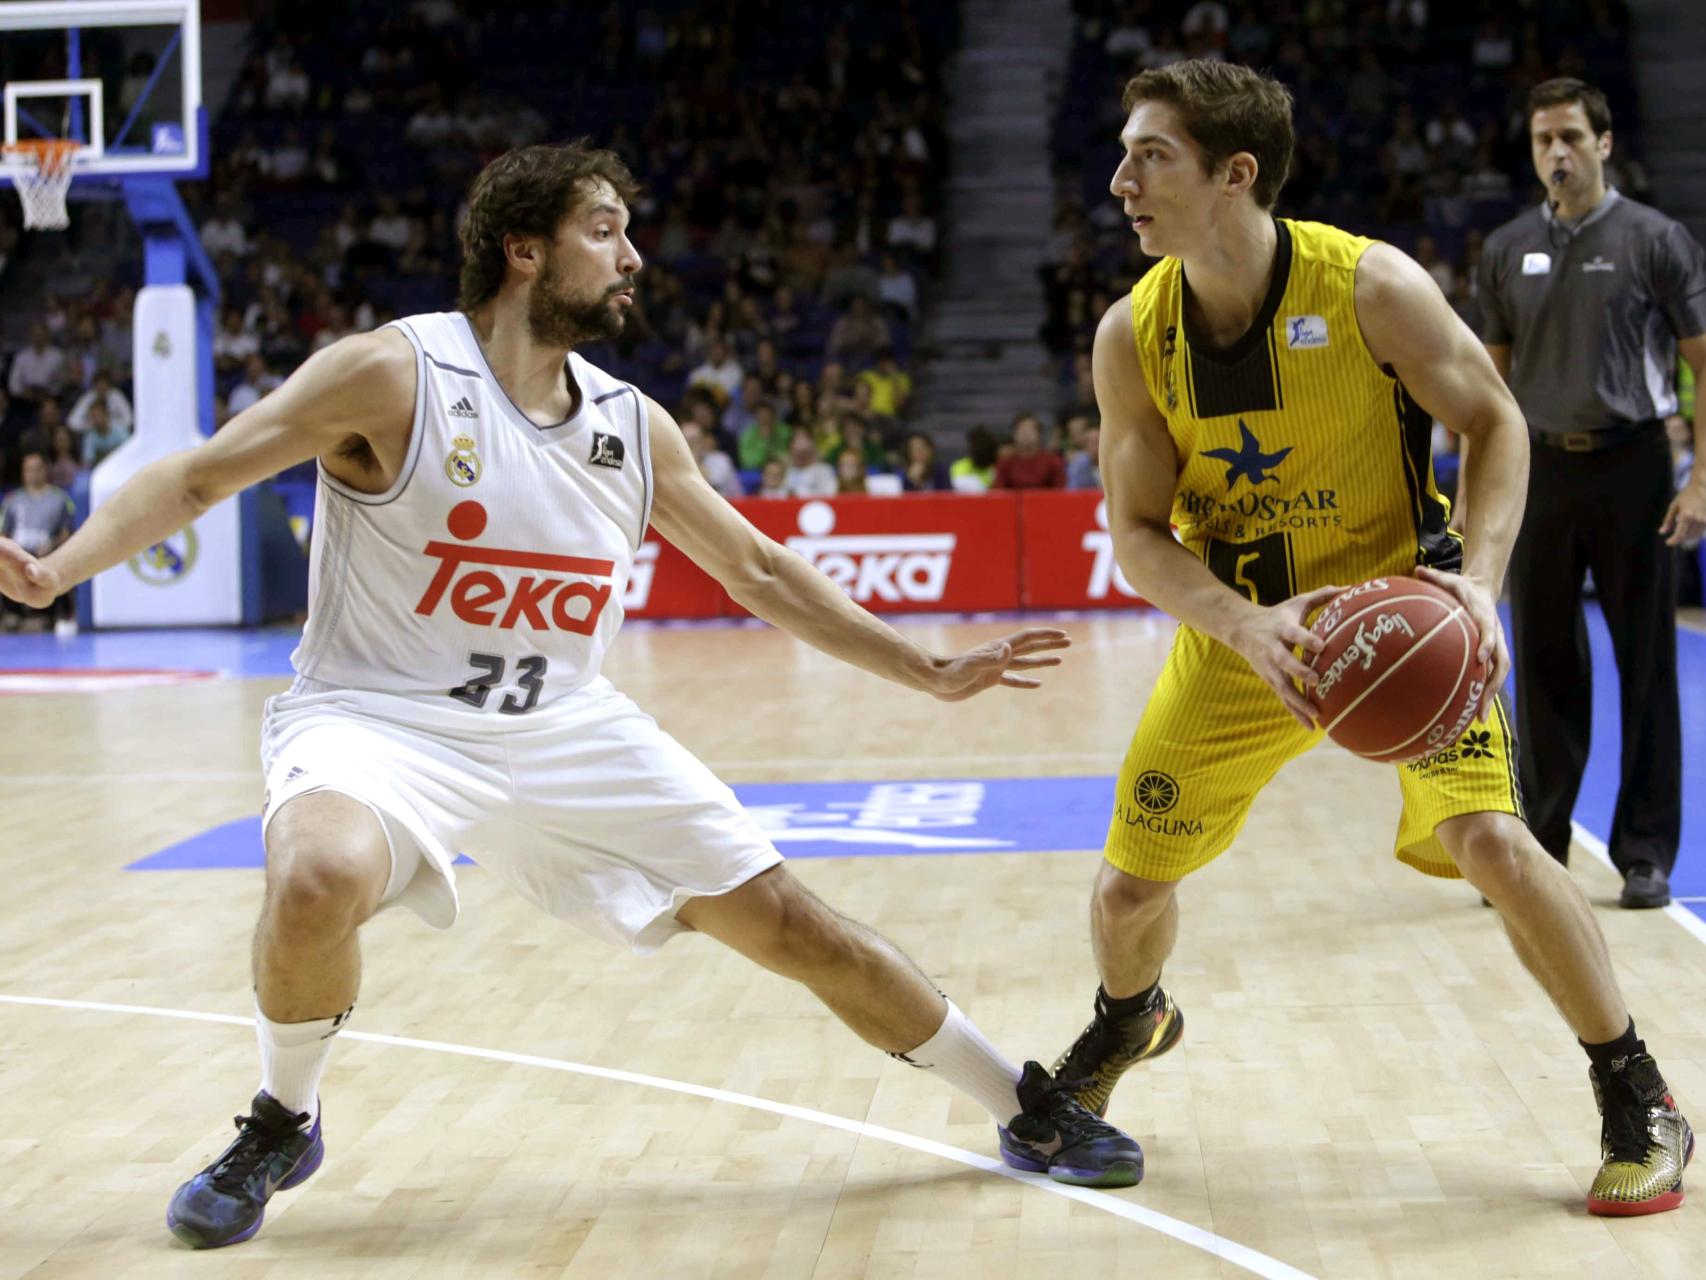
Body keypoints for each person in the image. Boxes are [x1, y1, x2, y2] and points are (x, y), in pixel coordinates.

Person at [0, 141, 1141, 1250]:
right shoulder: (392, 373)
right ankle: (280, 1119)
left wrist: (924, 668)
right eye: (606, 230)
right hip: (377, 717)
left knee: (791, 923)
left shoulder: (629, 424)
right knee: (315, 874)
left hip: (564, 725)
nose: (633, 255)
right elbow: (200, 471)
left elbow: (755, 569)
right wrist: (57, 571)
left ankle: (1022, 1099)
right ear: (524, 251)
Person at [1065, 59, 1690, 1218]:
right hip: (1249, 633)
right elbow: (1140, 536)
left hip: (1401, 613)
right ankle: (1128, 1019)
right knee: (1123, 896)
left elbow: (1492, 421)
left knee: (1495, 844)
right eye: (1124, 154)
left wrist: (1479, 587)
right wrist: (1243, 624)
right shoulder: (1130, 335)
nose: (1119, 182)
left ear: (1233, 175)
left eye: (1150, 156)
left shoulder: (1368, 286)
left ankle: (1637, 1093)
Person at [1470, 77, 1706, 910]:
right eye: (1544, 141)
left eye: (1572, 136)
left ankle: (1645, 851)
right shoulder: (1504, 249)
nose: (1558, 153)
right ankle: (1539, 846)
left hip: (1633, 463)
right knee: (1538, 662)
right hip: (1538, 469)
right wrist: (1474, 502)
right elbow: (1485, 390)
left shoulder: (1656, 239)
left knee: (1646, 662)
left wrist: (1702, 480)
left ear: (1604, 144)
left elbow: (1703, 366)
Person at [0, 451, 74, 633]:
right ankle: (13, 615)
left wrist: (52, 545)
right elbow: (4, 533)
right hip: (18, 551)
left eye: (36, 469)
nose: (32, 474)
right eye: (28, 470)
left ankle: (50, 616)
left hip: (45, 552)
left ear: (45, 470)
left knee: (49, 566)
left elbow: (66, 533)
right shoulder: (12, 500)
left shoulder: (59, 498)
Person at [994, 413, 1066, 489]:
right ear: (1014, 434)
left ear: (1039, 434)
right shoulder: (1005, 464)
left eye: (1030, 429)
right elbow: (999, 493)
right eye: (1022, 429)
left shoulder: (1053, 462)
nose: (1026, 433)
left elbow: (1060, 491)